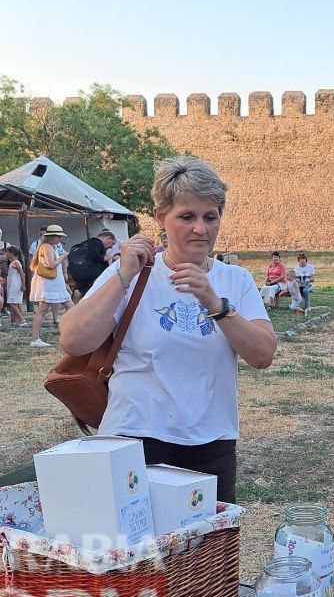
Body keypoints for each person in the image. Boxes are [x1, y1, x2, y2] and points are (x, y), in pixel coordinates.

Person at [60, 155, 276, 503]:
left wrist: (214, 303)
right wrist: (123, 274)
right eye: (186, 217)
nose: (200, 229)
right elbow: (73, 339)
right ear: (161, 217)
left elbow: (263, 354)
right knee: (138, 553)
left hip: (211, 441)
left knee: (209, 553)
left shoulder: (234, 280)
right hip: (134, 437)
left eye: (210, 217)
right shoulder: (135, 272)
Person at [28, 225, 73, 347]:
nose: (60, 239)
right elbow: (51, 264)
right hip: (49, 284)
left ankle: (72, 331)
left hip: (54, 284)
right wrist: (63, 256)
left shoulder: (49, 246)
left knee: (71, 307)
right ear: (52, 237)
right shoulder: (46, 247)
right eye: (58, 236)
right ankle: (35, 339)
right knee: (42, 311)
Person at [67, 229, 116, 298]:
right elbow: (95, 255)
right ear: (108, 238)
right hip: (91, 276)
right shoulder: (96, 242)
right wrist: (105, 259)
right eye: (112, 243)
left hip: (78, 275)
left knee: (85, 295)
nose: (111, 247)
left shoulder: (82, 245)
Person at [3, 246, 26, 326]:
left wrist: (23, 285)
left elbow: (22, 274)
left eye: (7, 252)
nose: (6, 254)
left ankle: (22, 320)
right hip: (12, 286)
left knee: (12, 304)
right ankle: (16, 320)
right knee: (14, 304)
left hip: (15, 286)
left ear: (12, 253)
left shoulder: (15, 263)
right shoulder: (13, 263)